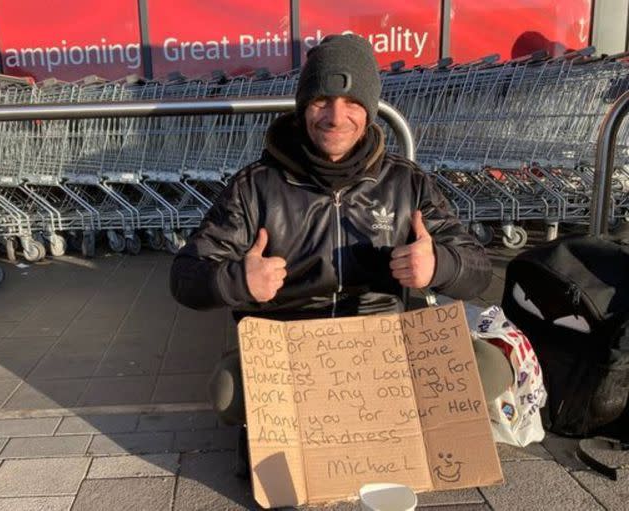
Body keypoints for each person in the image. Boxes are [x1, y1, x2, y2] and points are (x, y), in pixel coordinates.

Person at [169, 34, 510, 470]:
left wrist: (439, 264)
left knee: (490, 371)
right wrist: (237, 279)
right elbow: (185, 277)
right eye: (321, 100)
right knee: (227, 391)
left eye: (352, 101)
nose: (335, 117)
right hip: (289, 349)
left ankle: (378, 426)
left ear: (369, 110)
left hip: (379, 342)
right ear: (301, 105)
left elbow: (478, 270)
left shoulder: (406, 182)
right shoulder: (255, 186)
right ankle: (278, 430)